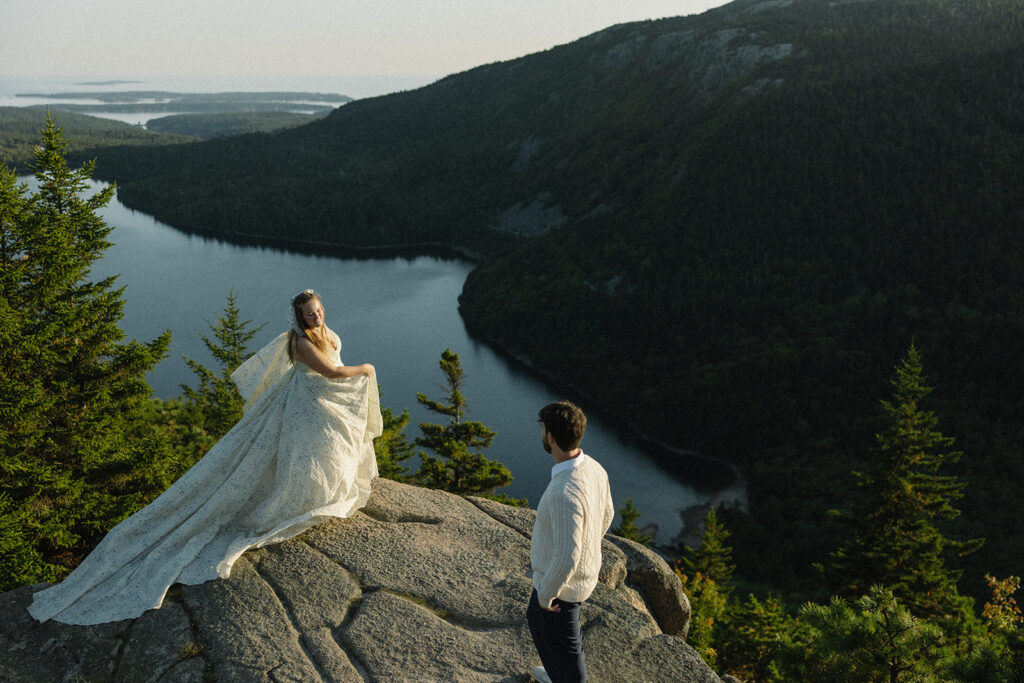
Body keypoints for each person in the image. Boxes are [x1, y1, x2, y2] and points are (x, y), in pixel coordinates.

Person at [28, 289, 382, 625]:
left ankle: (320, 491)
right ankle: (301, 498)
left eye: (318, 310)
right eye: (309, 313)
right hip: (308, 402)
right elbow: (333, 372)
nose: (316, 316)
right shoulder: (301, 342)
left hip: (319, 402)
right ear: (298, 317)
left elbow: (333, 364)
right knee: (306, 452)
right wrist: (367, 368)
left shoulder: (322, 331)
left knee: (322, 451)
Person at [527, 401, 614, 683]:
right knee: (540, 625)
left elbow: (566, 558)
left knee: (567, 646)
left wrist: (547, 594)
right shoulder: (594, 468)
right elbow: (608, 512)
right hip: (572, 576)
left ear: (550, 436)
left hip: (563, 587)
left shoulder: (564, 492)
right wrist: (590, 542)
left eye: (544, 430)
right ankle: (557, 675)